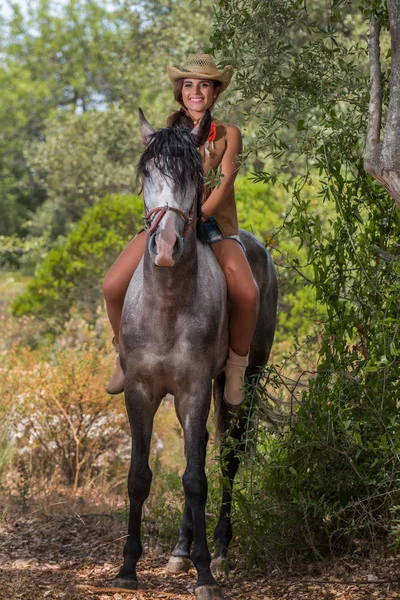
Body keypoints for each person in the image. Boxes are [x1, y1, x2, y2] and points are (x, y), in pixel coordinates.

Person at [102, 54, 259, 406]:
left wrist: (197, 216)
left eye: (204, 84)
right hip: (168, 222)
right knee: (112, 286)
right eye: (189, 84)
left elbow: (225, 182)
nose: (196, 91)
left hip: (213, 223)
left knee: (247, 293)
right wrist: (172, 219)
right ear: (180, 91)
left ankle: (235, 366)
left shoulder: (228, 133)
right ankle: (124, 354)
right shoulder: (165, 135)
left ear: (215, 91)